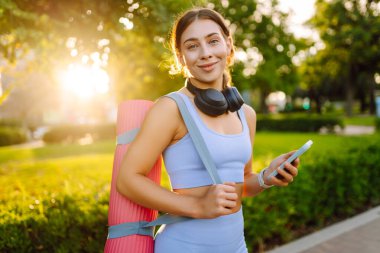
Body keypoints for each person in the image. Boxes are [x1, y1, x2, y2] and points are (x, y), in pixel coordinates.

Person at [116, 7, 299, 253]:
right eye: (192, 46)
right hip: (183, 247)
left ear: (228, 44)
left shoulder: (246, 114)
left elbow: (241, 183)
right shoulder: (171, 108)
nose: (205, 53)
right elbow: (128, 180)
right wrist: (198, 207)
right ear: (180, 57)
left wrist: (267, 176)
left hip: (236, 247)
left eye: (213, 41)